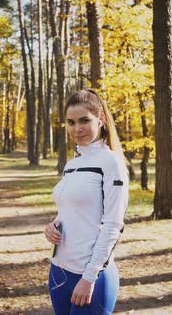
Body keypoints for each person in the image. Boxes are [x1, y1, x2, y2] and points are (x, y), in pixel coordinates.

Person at [44, 89, 129, 315]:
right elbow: (69, 210)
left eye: (84, 120)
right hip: (59, 272)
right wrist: (52, 226)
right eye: (71, 122)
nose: (77, 128)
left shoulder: (111, 162)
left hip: (91, 276)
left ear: (100, 119)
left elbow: (114, 225)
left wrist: (89, 277)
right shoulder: (72, 164)